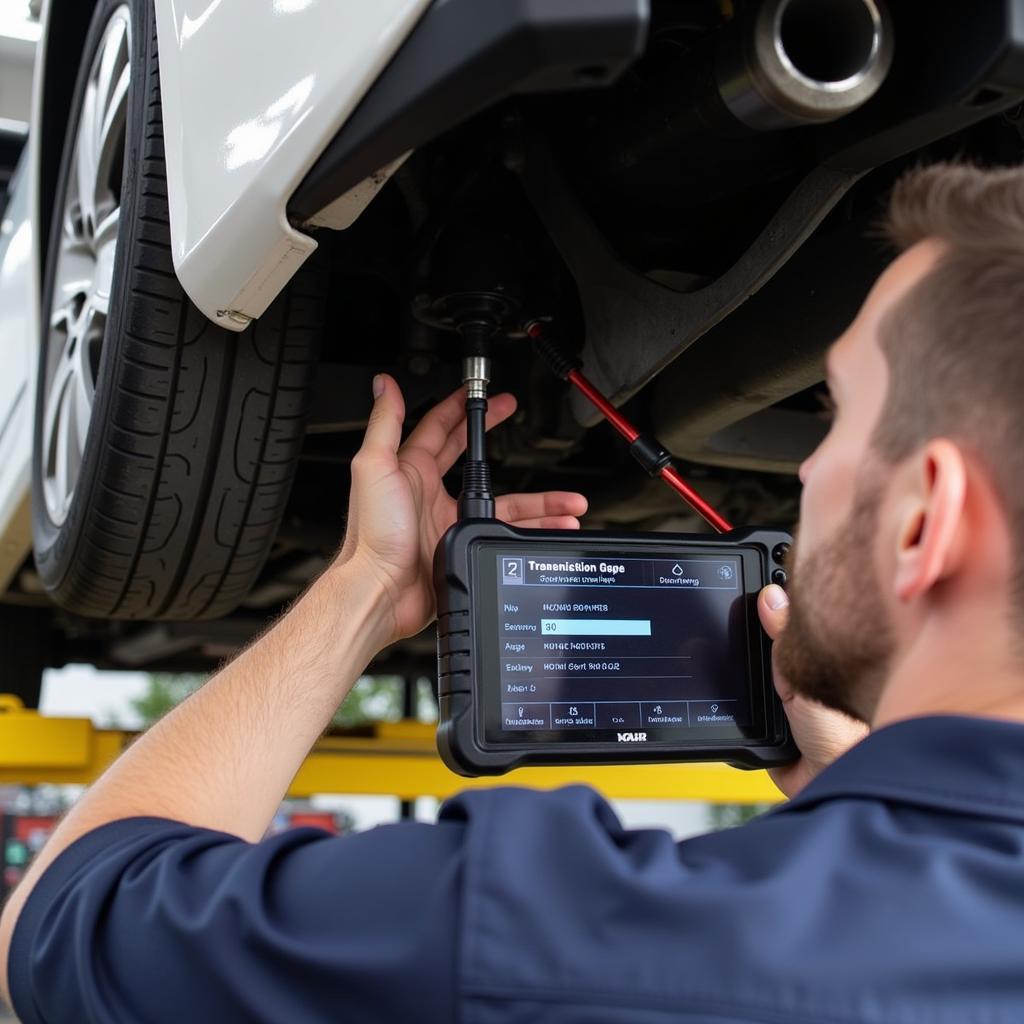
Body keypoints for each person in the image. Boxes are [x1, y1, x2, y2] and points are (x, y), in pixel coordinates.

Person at [4, 160, 1024, 1022]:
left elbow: (59, 915)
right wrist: (861, 800)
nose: (806, 470)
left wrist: (363, 588)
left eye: (834, 416)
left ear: (924, 518)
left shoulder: (550, 933)